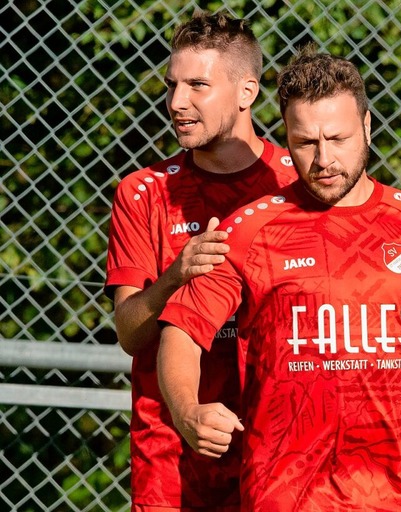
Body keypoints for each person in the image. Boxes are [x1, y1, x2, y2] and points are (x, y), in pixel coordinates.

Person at [156, 48, 401, 511]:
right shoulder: (250, 230)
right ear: (287, 137)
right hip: (287, 495)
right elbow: (181, 330)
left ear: (367, 126)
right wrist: (187, 412)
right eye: (306, 143)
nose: (324, 159)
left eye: (338, 138)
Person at [104, 12, 300, 511]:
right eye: (172, 85)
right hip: (171, 460)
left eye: (197, 85)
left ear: (246, 92)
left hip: (284, 453)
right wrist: (176, 276)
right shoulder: (142, 193)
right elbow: (128, 332)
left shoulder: (296, 186)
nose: (176, 103)